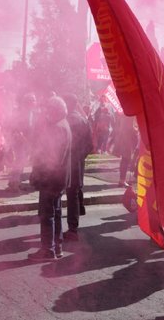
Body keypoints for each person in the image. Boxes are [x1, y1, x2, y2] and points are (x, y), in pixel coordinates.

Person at [29, 96, 71, 261]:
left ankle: (47, 249)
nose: (46, 112)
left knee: (47, 215)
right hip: (59, 179)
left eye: (49, 109)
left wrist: (39, 174)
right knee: (57, 212)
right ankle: (57, 246)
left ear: (55, 110)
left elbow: (51, 158)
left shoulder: (57, 127)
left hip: (51, 179)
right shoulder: (64, 124)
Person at [63, 94, 93, 241]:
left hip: (69, 162)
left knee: (72, 194)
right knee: (76, 190)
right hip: (78, 161)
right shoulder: (84, 120)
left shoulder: (66, 121)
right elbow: (90, 145)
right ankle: (79, 214)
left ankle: (73, 229)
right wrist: (81, 157)